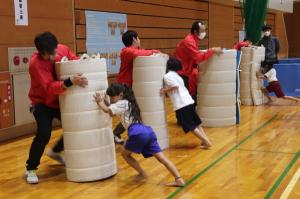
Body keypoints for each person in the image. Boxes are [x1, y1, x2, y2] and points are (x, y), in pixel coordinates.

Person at [25, 32, 88, 184]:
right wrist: (69, 81)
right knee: (44, 135)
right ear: (41, 52)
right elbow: (49, 87)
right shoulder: (36, 64)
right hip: (41, 103)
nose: (53, 56)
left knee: (74, 126)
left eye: (54, 51)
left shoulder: (62, 49)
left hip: (59, 100)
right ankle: (31, 169)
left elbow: (74, 60)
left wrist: (84, 60)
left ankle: (55, 151)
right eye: (48, 55)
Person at [94, 83, 185, 187]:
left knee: (125, 154)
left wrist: (100, 102)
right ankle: (179, 179)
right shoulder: (129, 103)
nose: (111, 99)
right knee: (161, 158)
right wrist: (106, 103)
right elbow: (112, 109)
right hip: (148, 131)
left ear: (120, 95)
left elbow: (107, 111)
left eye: (112, 97)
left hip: (137, 132)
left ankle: (142, 174)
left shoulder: (122, 103)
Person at [114, 30, 161, 144]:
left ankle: (119, 133)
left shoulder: (135, 50)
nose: (139, 40)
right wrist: (155, 51)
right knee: (130, 112)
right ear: (134, 39)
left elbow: (142, 52)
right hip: (123, 87)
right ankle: (117, 133)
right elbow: (138, 54)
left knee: (132, 111)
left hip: (130, 86)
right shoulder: (126, 51)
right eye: (138, 38)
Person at [160, 57, 212, 149]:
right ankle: (205, 140)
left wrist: (164, 90)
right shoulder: (177, 76)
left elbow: (175, 86)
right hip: (189, 101)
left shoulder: (167, 76)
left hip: (182, 104)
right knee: (197, 123)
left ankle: (207, 142)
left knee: (191, 126)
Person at [173, 21, 223, 90]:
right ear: (195, 32)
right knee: (185, 98)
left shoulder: (194, 39)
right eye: (202, 31)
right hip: (181, 73)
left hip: (185, 71)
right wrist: (212, 50)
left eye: (205, 30)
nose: (204, 33)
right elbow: (198, 58)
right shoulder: (189, 41)